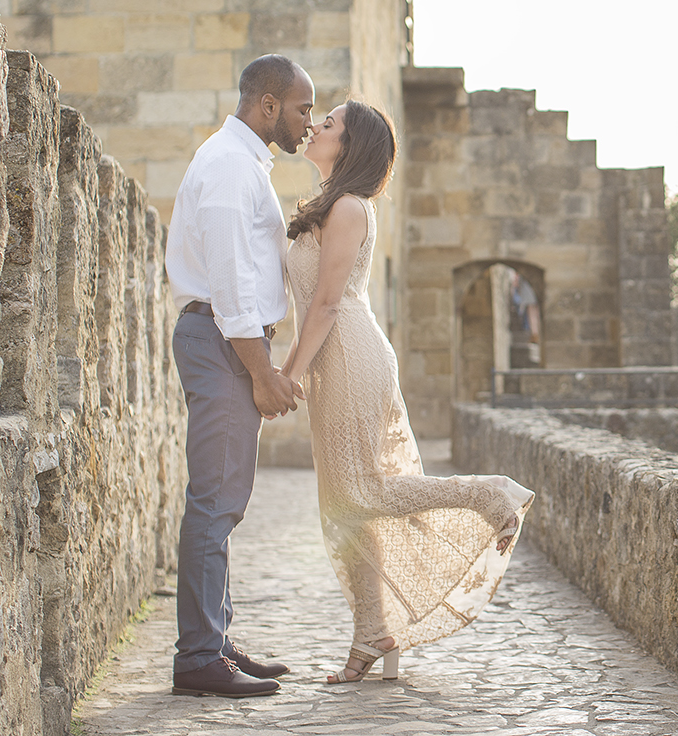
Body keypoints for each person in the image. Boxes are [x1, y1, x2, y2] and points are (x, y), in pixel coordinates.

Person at [280, 99, 534, 684]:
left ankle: (489, 494)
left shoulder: (348, 206)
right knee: (343, 506)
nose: (317, 124)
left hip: (347, 354)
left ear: (350, 145)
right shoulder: (327, 204)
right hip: (332, 359)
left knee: (362, 493)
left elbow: (324, 303)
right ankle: (372, 632)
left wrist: (288, 373)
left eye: (331, 122)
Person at [165, 54, 314, 698]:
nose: (309, 121)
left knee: (224, 499)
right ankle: (198, 658)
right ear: (269, 105)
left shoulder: (247, 161)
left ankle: (214, 640)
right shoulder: (229, 166)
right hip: (224, 341)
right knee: (213, 501)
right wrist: (262, 373)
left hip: (228, 342)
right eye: (304, 108)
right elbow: (230, 285)